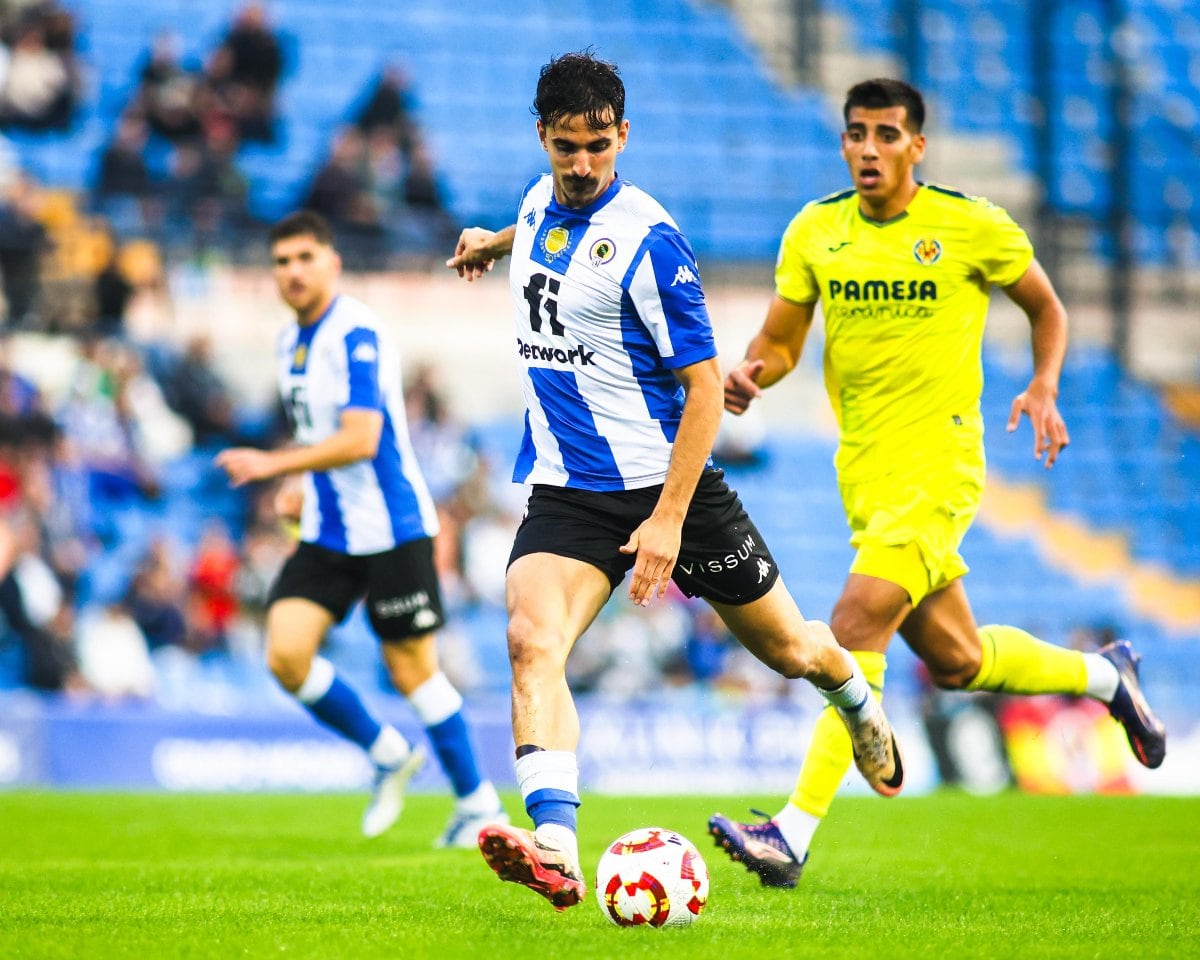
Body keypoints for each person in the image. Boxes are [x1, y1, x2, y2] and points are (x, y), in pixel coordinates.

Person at [445, 51, 904, 912]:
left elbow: (703, 388)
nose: (582, 166)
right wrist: (492, 242)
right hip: (567, 489)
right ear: (542, 137)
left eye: (598, 147)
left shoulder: (653, 242)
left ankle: (855, 697)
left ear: (623, 135)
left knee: (788, 652)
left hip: (672, 489)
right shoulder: (540, 198)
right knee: (530, 640)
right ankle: (554, 845)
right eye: (566, 147)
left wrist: (667, 520)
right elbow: (543, 230)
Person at [708, 78, 1167, 889]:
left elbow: (1047, 307)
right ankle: (1107, 676)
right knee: (956, 661)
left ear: (917, 145)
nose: (870, 149)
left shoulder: (968, 225)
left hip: (941, 469)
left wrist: (1045, 384)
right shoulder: (817, 231)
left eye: (888, 135)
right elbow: (780, 341)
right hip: (866, 476)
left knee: (851, 626)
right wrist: (753, 373)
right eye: (857, 134)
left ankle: (791, 832)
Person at [216, 210, 505, 845]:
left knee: (413, 673)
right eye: (282, 261)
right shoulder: (289, 342)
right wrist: (300, 482)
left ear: (333, 262)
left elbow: (361, 437)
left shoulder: (356, 334)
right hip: (328, 528)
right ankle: (384, 751)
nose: (293, 271)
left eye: (305, 258)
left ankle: (480, 806)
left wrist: (274, 464)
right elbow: (322, 437)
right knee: (286, 655)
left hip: (393, 528)